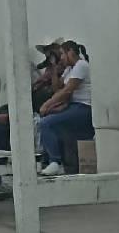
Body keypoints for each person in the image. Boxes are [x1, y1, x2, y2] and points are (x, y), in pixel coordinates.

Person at [36, 40, 93, 176]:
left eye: (62, 54)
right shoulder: (69, 69)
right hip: (73, 106)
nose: (61, 57)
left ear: (70, 52)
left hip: (84, 107)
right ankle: (51, 160)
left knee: (45, 123)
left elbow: (67, 91)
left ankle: (55, 162)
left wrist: (47, 104)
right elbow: (57, 89)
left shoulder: (81, 65)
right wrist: (54, 68)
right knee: (49, 122)